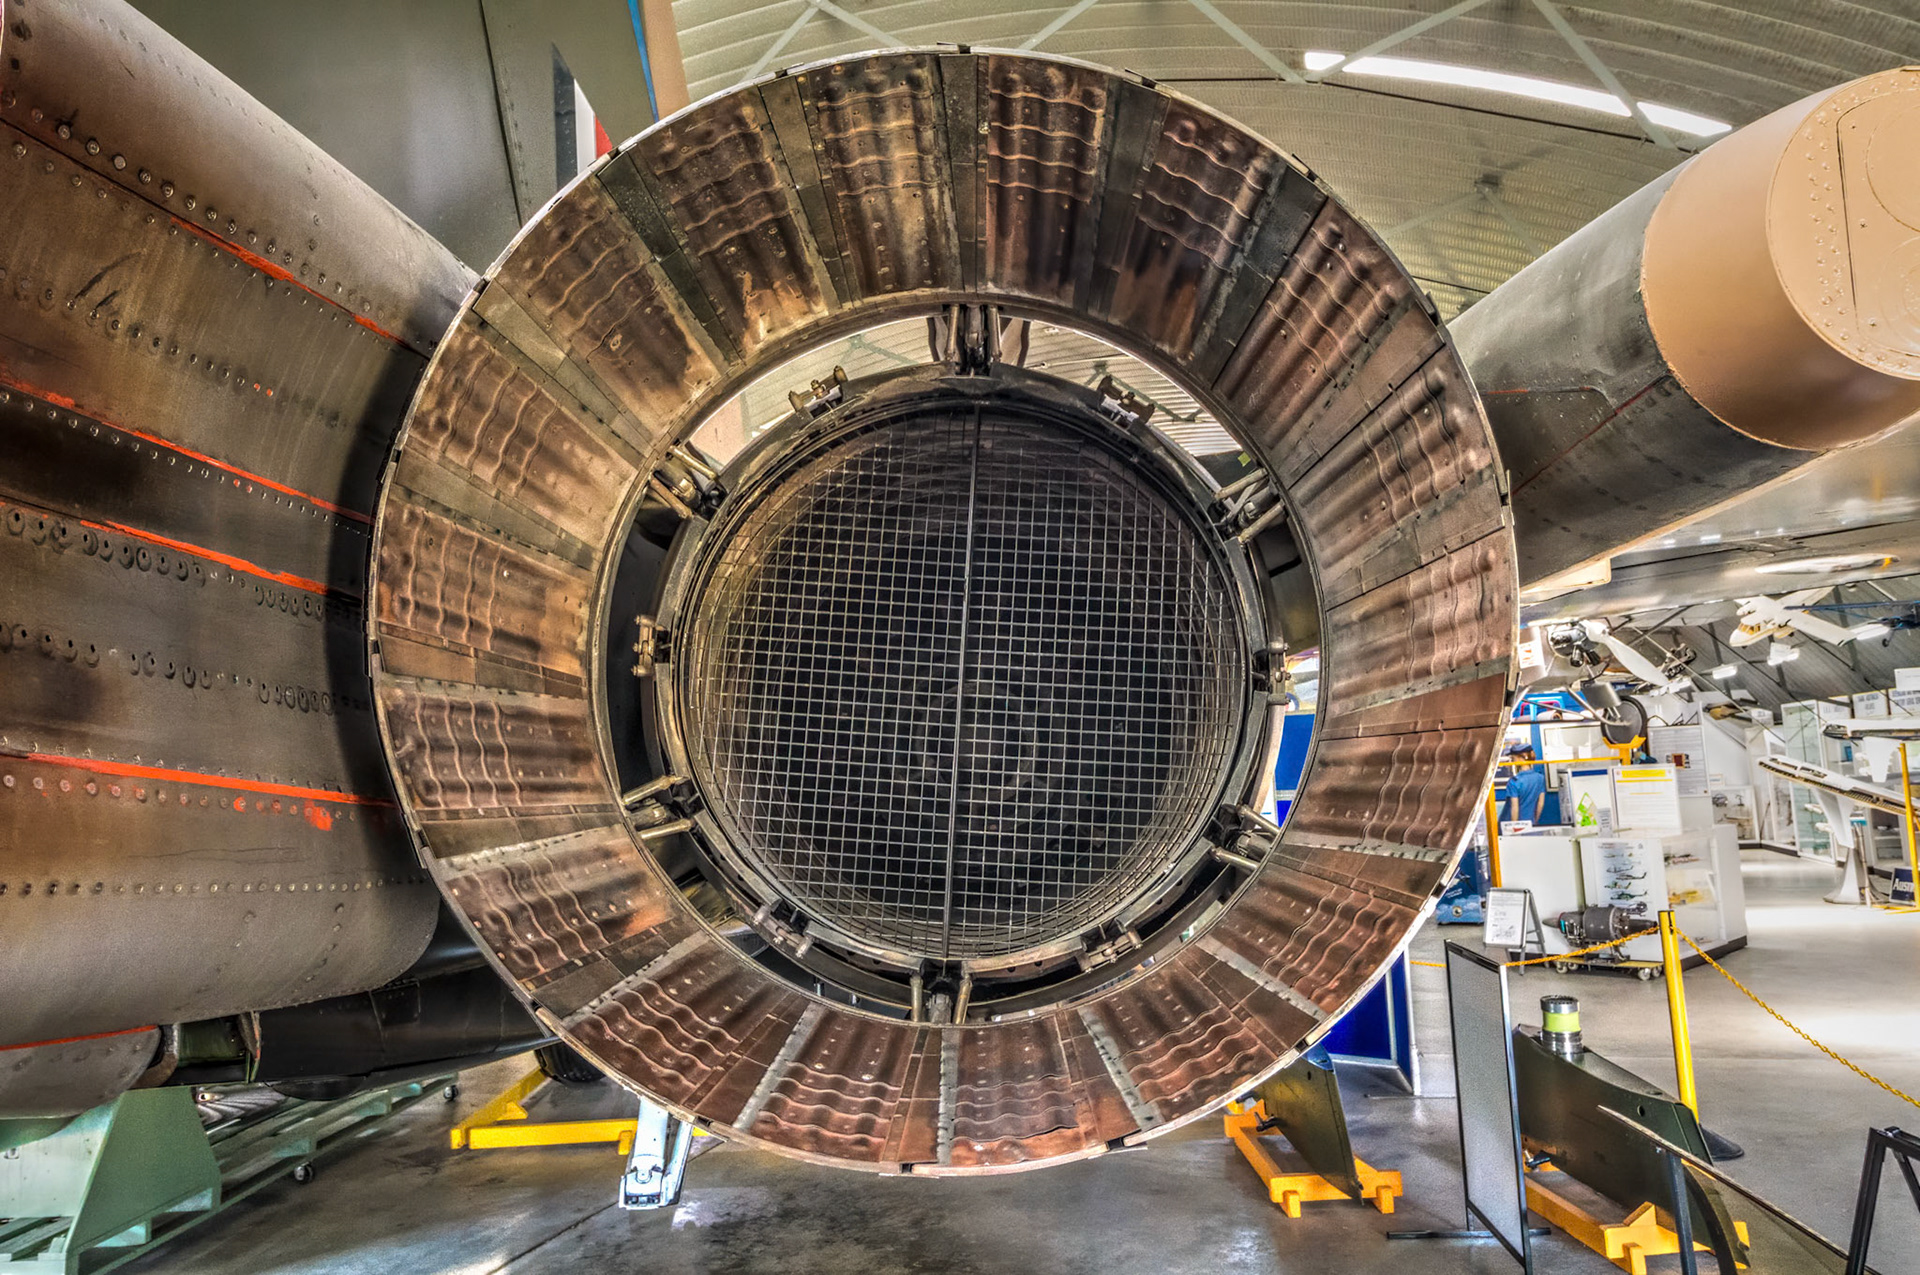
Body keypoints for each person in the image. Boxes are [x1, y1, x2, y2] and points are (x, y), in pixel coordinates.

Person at [1505, 745, 1547, 824]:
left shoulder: (1514, 781)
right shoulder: (1540, 778)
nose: (1513, 761)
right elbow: (1540, 804)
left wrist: (1514, 828)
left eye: (1513, 758)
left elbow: (1514, 808)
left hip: (1517, 826)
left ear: (1521, 757)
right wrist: (1535, 820)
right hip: (1531, 824)